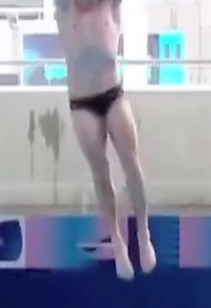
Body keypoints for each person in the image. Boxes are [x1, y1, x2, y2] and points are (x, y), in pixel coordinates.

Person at [56, 0, 156, 280]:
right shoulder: (65, 9)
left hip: (113, 94)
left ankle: (143, 233)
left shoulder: (110, 6)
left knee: (132, 165)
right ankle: (117, 241)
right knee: (100, 172)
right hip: (82, 103)